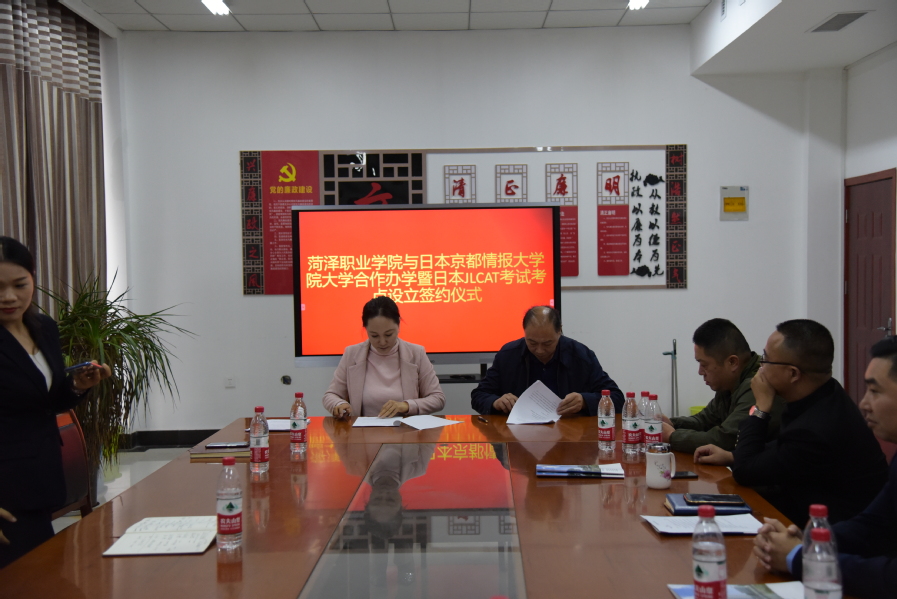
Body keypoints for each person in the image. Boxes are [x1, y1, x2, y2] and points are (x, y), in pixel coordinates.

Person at [694, 319, 888, 527]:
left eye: (766, 360)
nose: (760, 367)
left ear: (793, 373)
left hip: (836, 536)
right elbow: (783, 449)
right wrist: (732, 456)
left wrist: (760, 408)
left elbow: (745, 472)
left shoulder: (817, 428)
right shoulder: (825, 392)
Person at [753, 335, 897, 599]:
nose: (864, 404)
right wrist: (811, 540)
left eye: (875, 391)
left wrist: (800, 558)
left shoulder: (822, 423)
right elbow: (876, 523)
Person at [0, 236, 111, 569]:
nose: (9, 296)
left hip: (40, 481)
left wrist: (76, 386)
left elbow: (44, 402)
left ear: (33, 278)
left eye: (19, 285)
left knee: (43, 576)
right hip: (5, 493)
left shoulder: (44, 328)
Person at [470, 306, 623, 416]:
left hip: (570, 435)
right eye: (532, 343)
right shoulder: (508, 355)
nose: (540, 350)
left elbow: (617, 398)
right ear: (524, 332)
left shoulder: (580, 355)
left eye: (548, 343)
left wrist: (584, 401)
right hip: (519, 435)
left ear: (559, 331)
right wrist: (495, 402)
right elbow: (479, 395)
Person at [662, 318, 785, 453]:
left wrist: (672, 436)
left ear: (732, 362)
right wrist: (671, 423)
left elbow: (724, 440)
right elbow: (705, 420)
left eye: (704, 365)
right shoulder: (729, 383)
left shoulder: (756, 386)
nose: (700, 372)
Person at [323, 296, 445, 419]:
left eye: (388, 334)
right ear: (366, 329)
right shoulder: (352, 354)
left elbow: (438, 399)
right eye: (374, 336)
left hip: (405, 429)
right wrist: (339, 404)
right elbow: (331, 395)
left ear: (398, 326)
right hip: (363, 429)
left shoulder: (416, 353)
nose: (382, 342)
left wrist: (406, 406)